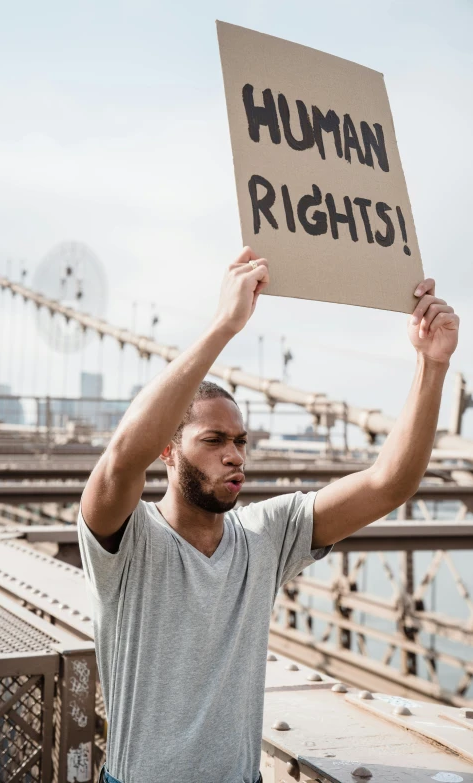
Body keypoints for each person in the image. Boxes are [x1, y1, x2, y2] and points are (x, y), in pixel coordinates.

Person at [78, 247, 459, 783]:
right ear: (168, 450)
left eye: (240, 441)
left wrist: (431, 364)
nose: (234, 454)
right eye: (213, 440)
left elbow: (387, 483)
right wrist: (224, 325)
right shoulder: (126, 538)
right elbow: (120, 459)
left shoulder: (264, 534)